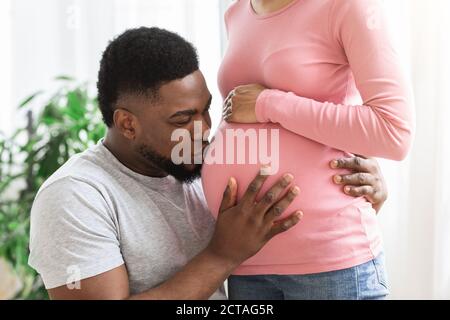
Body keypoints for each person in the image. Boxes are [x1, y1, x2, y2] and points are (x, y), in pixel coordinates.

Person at [28, 27, 388, 300]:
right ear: (127, 123)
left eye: (206, 110)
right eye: (182, 118)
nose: (202, 130)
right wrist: (222, 254)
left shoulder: (202, 162)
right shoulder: (74, 196)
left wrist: (362, 190)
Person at [201, 0, 414, 300]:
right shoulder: (236, 13)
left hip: (329, 263)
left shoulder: (346, 6)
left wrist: (269, 104)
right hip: (245, 260)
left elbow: (393, 130)